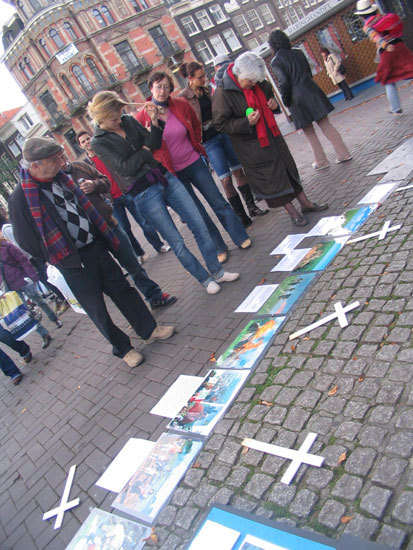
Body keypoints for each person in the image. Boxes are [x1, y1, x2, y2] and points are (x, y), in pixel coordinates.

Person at [8, 137, 175, 367]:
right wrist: (54, 256)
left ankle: (149, 329)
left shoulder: (61, 177)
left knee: (122, 289)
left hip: (95, 245)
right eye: (53, 159)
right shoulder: (21, 197)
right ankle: (124, 349)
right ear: (35, 165)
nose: (60, 160)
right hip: (71, 261)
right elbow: (25, 241)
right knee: (97, 309)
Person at [89, 90, 240, 295]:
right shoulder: (98, 142)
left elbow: (154, 143)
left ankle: (217, 271)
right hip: (142, 192)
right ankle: (204, 280)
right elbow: (125, 168)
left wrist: (154, 122)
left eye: (119, 114)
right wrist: (143, 151)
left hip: (163, 176)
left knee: (199, 225)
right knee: (176, 241)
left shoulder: (127, 120)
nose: (118, 119)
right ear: (101, 117)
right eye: (113, 118)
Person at [136, 71, 252, 264]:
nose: (162, 91)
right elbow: (147, 146)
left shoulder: (180, 104)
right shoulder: (142, 117)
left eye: (166, 87)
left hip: (193, 162)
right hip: (172, 173)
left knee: (217, 201)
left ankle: (240, 236)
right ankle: (219, 247)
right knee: (197, 212)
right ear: (150, 89)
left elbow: (196, 125)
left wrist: (195, 144)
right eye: (158, 87)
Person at [212, 51, 328, 227]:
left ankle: (305, 204)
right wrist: (246, 122)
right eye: (249, 81)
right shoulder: (223, 93)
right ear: (239, 74)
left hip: (273, 137)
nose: (252, 84)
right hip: (252, 146)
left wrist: (272, 103)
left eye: (255, 81)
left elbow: (268, 94)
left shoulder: (258, 82)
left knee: (288, 170)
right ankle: (293, 212)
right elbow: (221, 124)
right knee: (273, 179)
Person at [62, 156, 177, 309]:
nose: (61, 161)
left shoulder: (80, 167)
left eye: (61, 156)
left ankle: (154, 295)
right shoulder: (56, 183)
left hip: (109, 225)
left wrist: (95, 185)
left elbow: (106, 182)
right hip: (91, 238)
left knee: (132, 264)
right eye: (55, 158)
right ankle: (138, 313)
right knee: (114, 277)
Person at [178, 59, 269, 229]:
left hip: (224, 134)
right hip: (209, 142)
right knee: (225, 180)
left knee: (238, 172)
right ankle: (240, 216)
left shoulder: (208, 90)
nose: (204, 79)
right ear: (190, 78)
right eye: (200, 77)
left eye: (204, 75)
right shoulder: (183, 98)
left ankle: (252, 207)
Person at [76, 131, 171, 261]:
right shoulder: (86, 165)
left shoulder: (105, 153)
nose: (87, 142)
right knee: (125, 229)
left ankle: (158, 246)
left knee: (144, 221)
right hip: (111, 200)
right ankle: (139, 254)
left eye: (88, 138)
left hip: (126, 191)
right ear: (80, 146)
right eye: (83, 141)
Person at [269, 30, 352, 171]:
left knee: (309, 132)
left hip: (296, 99)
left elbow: (283, 82)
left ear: (272, 45)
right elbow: (308, 72)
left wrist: (285, 99)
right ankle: (343, 153)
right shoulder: (298, 52)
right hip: (311, 91)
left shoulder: (276, 61)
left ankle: (321, 161)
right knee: (326, 125)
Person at [0, 209, 69, 315]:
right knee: (46, 278)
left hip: (31, 258)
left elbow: (18, 245)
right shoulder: (7, 228)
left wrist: (27, 259)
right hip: (30, 257)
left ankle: (64, 297)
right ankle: (62, 297)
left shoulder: (6, 229)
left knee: (47, 278)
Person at [354, 0, 413, 115]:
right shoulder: (385, 17)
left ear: (361, 16)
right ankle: (395, 108)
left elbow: (375, 36)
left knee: (388, 80)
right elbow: (397, 29)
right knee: (410, 69)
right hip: (400, 46)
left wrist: (385, 44)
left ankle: (396, 108)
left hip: (387, 51)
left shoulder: (367, 26)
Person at [0, 234, 58, 349]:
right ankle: (44, 334)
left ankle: (54, 318)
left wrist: (32, 276)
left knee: (40, 301)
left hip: (23, 280)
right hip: (11, 289)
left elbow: (23, 259)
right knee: (25, 312)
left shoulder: (6, 246)